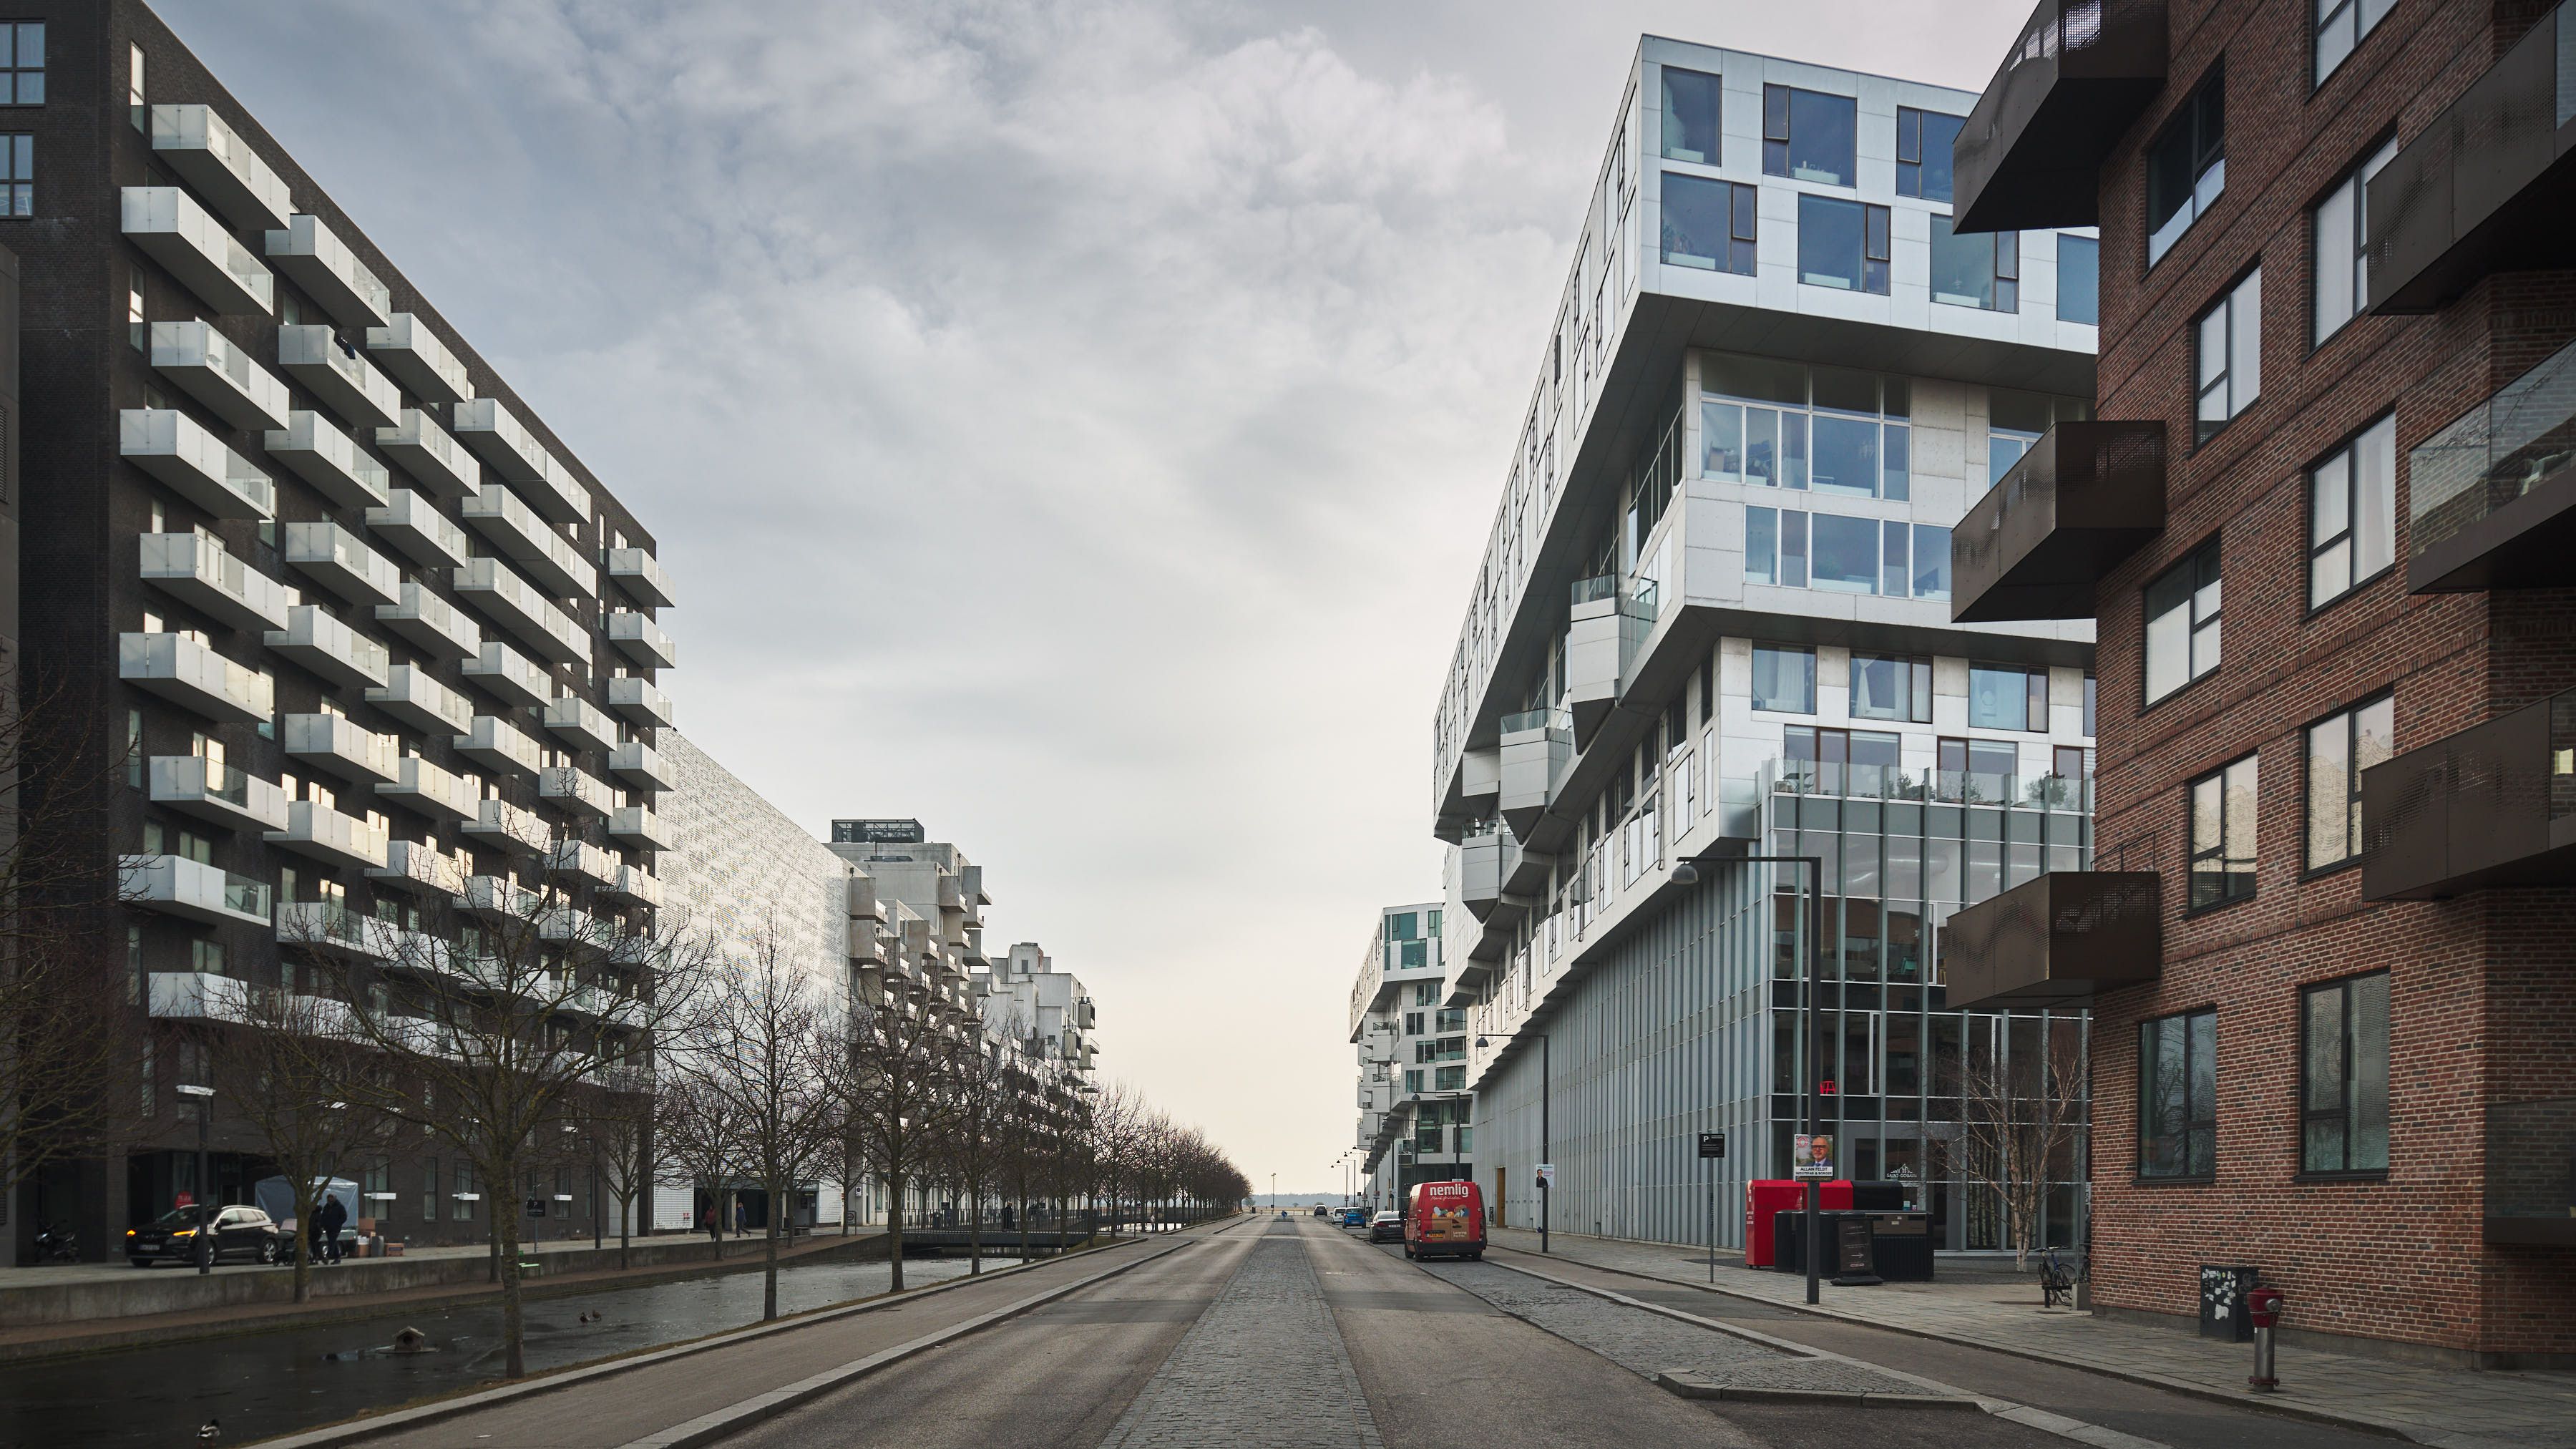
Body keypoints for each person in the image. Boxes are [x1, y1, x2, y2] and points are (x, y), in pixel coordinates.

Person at [314, 1194, 348, 1265]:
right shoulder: (326, 1207)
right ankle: (337, 1258)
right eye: (329, 1198)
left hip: (335, 1228)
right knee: (333, 1242)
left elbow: (344, 1217)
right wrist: (322, 1225)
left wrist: (337, 1224)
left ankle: (328, 1257)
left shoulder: (340, 1207)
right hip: (328, 1228)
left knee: (332, 1242)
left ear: (335, 1198)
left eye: (332, 1197)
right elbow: (323, 1217)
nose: (330, 1199)